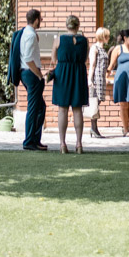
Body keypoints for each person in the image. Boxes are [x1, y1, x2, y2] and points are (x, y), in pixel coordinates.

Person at [51, 15, 89, 154]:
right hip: (79, 73)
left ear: (66, 26)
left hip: (63, 74)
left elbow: (54, 59)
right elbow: (85, 58)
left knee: (63, 109)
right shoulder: (85, 40)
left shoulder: (58, 39)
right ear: (78, 26)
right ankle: (79, 144)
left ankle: (62, 144)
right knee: (77, 109)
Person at [21, 8, 48, 151]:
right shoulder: (30, 35)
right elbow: (27, 58)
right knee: (34, 108)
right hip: (31, 74)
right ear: (36, 19)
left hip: (27, 74)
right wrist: (38, 74)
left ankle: (35, 140)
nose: (41, 21)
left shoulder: (27, 32)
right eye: (40, 18)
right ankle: (29, 141)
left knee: (40, 107)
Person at [85, 27, 110, 139]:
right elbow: (92, 65)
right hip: (96, 78)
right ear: (103, 36)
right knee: (94, 102)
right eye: (107, 36)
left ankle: (94, 128)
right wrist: (90, 80)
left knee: (97, 102)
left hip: (101, 79)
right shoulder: (94, 48)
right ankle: (93, 128)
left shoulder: (103, 49)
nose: (108, 38)